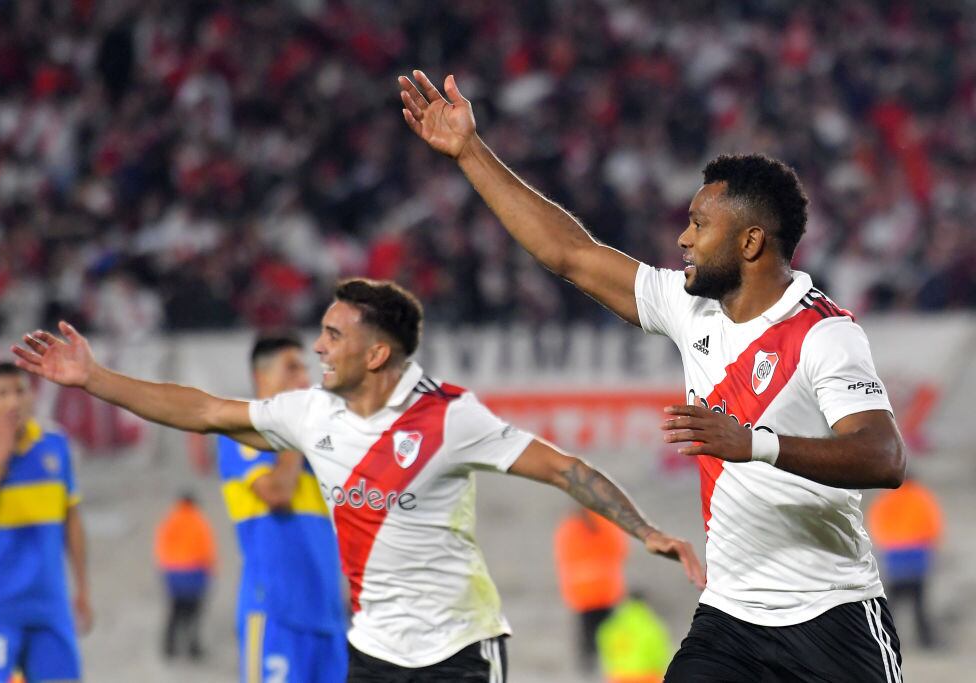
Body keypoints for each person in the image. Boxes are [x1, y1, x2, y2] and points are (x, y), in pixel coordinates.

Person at [399, 70, 907, 682]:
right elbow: (571, 254)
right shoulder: (689, 307)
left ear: (750, 242)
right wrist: (470, 152)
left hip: (832, 617)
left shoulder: (824, 334)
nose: (683, 237)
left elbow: (884, 458)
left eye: (699, 224)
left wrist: (755, 445)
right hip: (731, 617)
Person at [11, 278, 704, 683]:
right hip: (370, 650)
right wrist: (95, 379)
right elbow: (201, 410)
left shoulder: (451, 417)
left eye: (333, 335)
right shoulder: (311, 414)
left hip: (460, 650)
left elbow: (565, 467)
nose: (318, 346)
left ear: (376, 353)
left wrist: (644, 530)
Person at [216, 335, 346, 682]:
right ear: (261, 377)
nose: (304, 378)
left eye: (304, 368)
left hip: (329, 619)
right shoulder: (241, 432)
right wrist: (296, 428)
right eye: (292, 368)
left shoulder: (320, 447)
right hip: (277, 614)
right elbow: (277, 493)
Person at [0, 363, 92, 683]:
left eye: (20, 391)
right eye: (2, 394)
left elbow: (72, 520)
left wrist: (82, 588)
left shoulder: (54, 444)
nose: (13, 401)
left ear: (32, 396)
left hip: (49, 603)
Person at [868, 474, 943, 648]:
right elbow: (932, 522)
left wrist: (887, 541)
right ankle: (925, 639)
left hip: (895, 554)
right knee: (918, 601)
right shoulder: (921, 496)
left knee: (892, 601)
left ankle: (883, 636)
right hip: (917, 553)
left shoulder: (887, 497)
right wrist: (930, 544)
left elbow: (877, 521)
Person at [553, 508, 628, 674]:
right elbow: (620, 550)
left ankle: (588, 667)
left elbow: (563, 556)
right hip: (605, 590)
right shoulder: (606, 524)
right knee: (609, 634)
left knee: (587, 634)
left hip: (582, 592)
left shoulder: (569, 527)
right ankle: (606, 665)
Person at [154, 491, 216, 660]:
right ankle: (192, 647)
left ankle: (169, 646)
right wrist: (211, 570)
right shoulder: (198, 521)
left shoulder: (171, 519)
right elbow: (207, 548)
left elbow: (161, 545)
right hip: (194, 572)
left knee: (175, 611)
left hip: (173, 572)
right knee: (193, 613)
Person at [596, 593, 672, 683]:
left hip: (620, 676)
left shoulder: (615, 624)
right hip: (647, 676)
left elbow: (604, 643)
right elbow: (661, 651)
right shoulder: (652, 625)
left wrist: (611, 667)